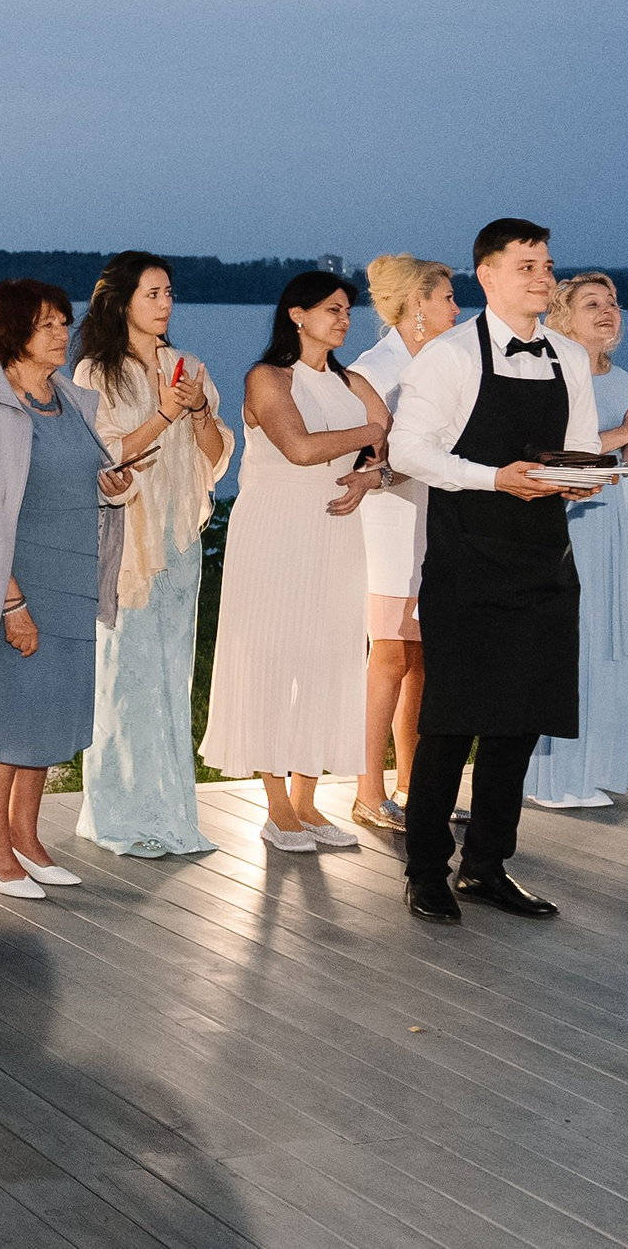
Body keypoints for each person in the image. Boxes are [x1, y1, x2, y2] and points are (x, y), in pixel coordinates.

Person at [391, 218, 605, 924]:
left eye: (547, 265)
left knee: (520, 722)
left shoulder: (568, 357)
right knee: (452, 722)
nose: (543, 278)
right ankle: (426, 870)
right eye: (527, 266)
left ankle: (486, 866)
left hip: (545, 560)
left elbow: (576, 449)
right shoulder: (449, 356)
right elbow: (407, 452)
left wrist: (583, 478)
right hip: (468, 560)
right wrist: (493, 478)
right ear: (487, 275)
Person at [0, 281, 134, 896]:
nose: (62, 333)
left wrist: (111, 490)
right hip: (11, 583)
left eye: (64, 322)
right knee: (9, 715)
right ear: (12, 333)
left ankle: (25, 836)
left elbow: (71, 480)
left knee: (47, 714)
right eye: (46, 324)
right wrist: (10, 602)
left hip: (71, 580)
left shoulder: (70, 399)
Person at [200, 271, 387, 853]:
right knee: (275, 656)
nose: (344, 319)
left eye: (347, 310)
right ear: (297, 315)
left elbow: (393, 450)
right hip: (277, 529)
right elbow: (300, 448)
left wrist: (371, 476)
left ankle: (307, 803)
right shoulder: (267, 377)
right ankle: (276, 808)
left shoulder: (353, 381)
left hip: (337, 529)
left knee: (329, 659)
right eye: (332, 309)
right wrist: (370, 432)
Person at [71, 253, 231, 859]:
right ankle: (115, 816)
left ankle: (169, 813)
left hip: (177, 540)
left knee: (170, 674)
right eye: (153, 294)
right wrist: (164, 414)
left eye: (169, 294)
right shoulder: (94, 372)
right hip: (126, 535)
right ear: (121, 302)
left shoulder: (187, 366)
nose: (165, 304)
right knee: (122, 675)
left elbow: (215, 459)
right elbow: (104, 453)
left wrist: (198, 410)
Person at [527, 273, 628, 808]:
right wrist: (627, 432)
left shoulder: (622, 377)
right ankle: (552, 779)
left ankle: (600, 767)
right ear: (565, 316)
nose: (608, 310)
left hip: (613, 520)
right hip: (568, 521)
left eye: (612, 302)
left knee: (613, 643)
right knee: (573, 642)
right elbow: (550, 452)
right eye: (592, 303)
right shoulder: (552, 374)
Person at [344, 253, 461, 833]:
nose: (457, 309)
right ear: (418, 304)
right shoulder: (374, 371)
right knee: (389, 654)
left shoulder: (438, 361)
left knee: (420, 658)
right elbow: (373, 459)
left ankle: (414, 787)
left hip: (431, 520)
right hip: (388, 524)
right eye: (447, 298)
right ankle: (368, 791)